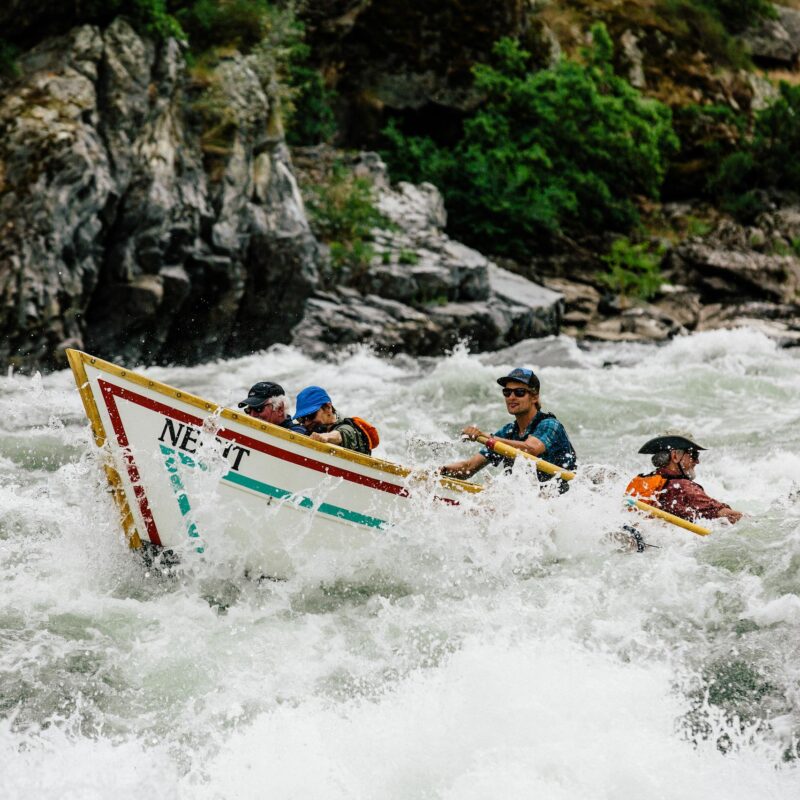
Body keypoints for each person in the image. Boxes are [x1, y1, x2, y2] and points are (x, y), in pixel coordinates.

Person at [439, 367, 577, 490]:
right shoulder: (508, 432)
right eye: (507, 392)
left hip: (561, 503)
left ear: (534, 397)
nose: (511, 397)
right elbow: (468, 468)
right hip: (529, 505)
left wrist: (486, 437)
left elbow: (531, 449)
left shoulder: (550, 425)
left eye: (520, 392)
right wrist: (438, 472)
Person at [626, 433, 742, 524]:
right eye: (694, 455)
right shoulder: (683, 487)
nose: (697, 461)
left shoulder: (646, 481)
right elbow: (729, 516)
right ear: (675, 456)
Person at [293, 386, 379, 456]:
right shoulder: (313, 428)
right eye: (301, 418)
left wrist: (326, 436)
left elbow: (340, 435)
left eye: (310, 415)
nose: (306, 422)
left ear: (328, 407)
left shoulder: (349, 429)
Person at [238, 381, 305, 432]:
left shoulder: (298, 433)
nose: (252, 415)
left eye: (258, 409)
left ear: (280, 409)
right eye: (248, 410)